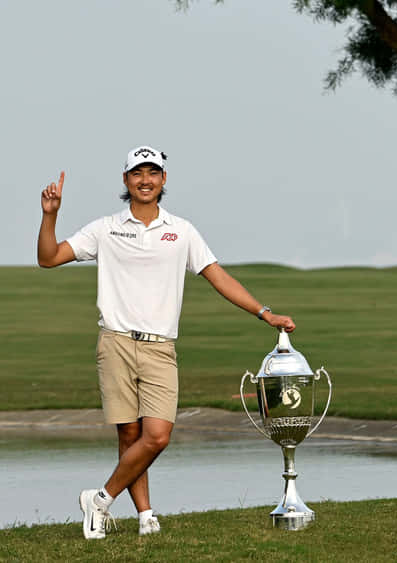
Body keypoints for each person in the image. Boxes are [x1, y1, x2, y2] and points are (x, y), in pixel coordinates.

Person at [37, 145, 295, 540]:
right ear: (126, 180)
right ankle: (145, 516)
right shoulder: (105, 228)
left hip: (160, 347)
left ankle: (100, 500)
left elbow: (217, 276)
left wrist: (265, 313)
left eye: (152, 173)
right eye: (137, 173)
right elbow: (49, 257)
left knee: (157, 436)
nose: (145, 180)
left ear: (163, 179)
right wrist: (50, 215)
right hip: (115, 343)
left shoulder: (182, 231)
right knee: (129, 436)